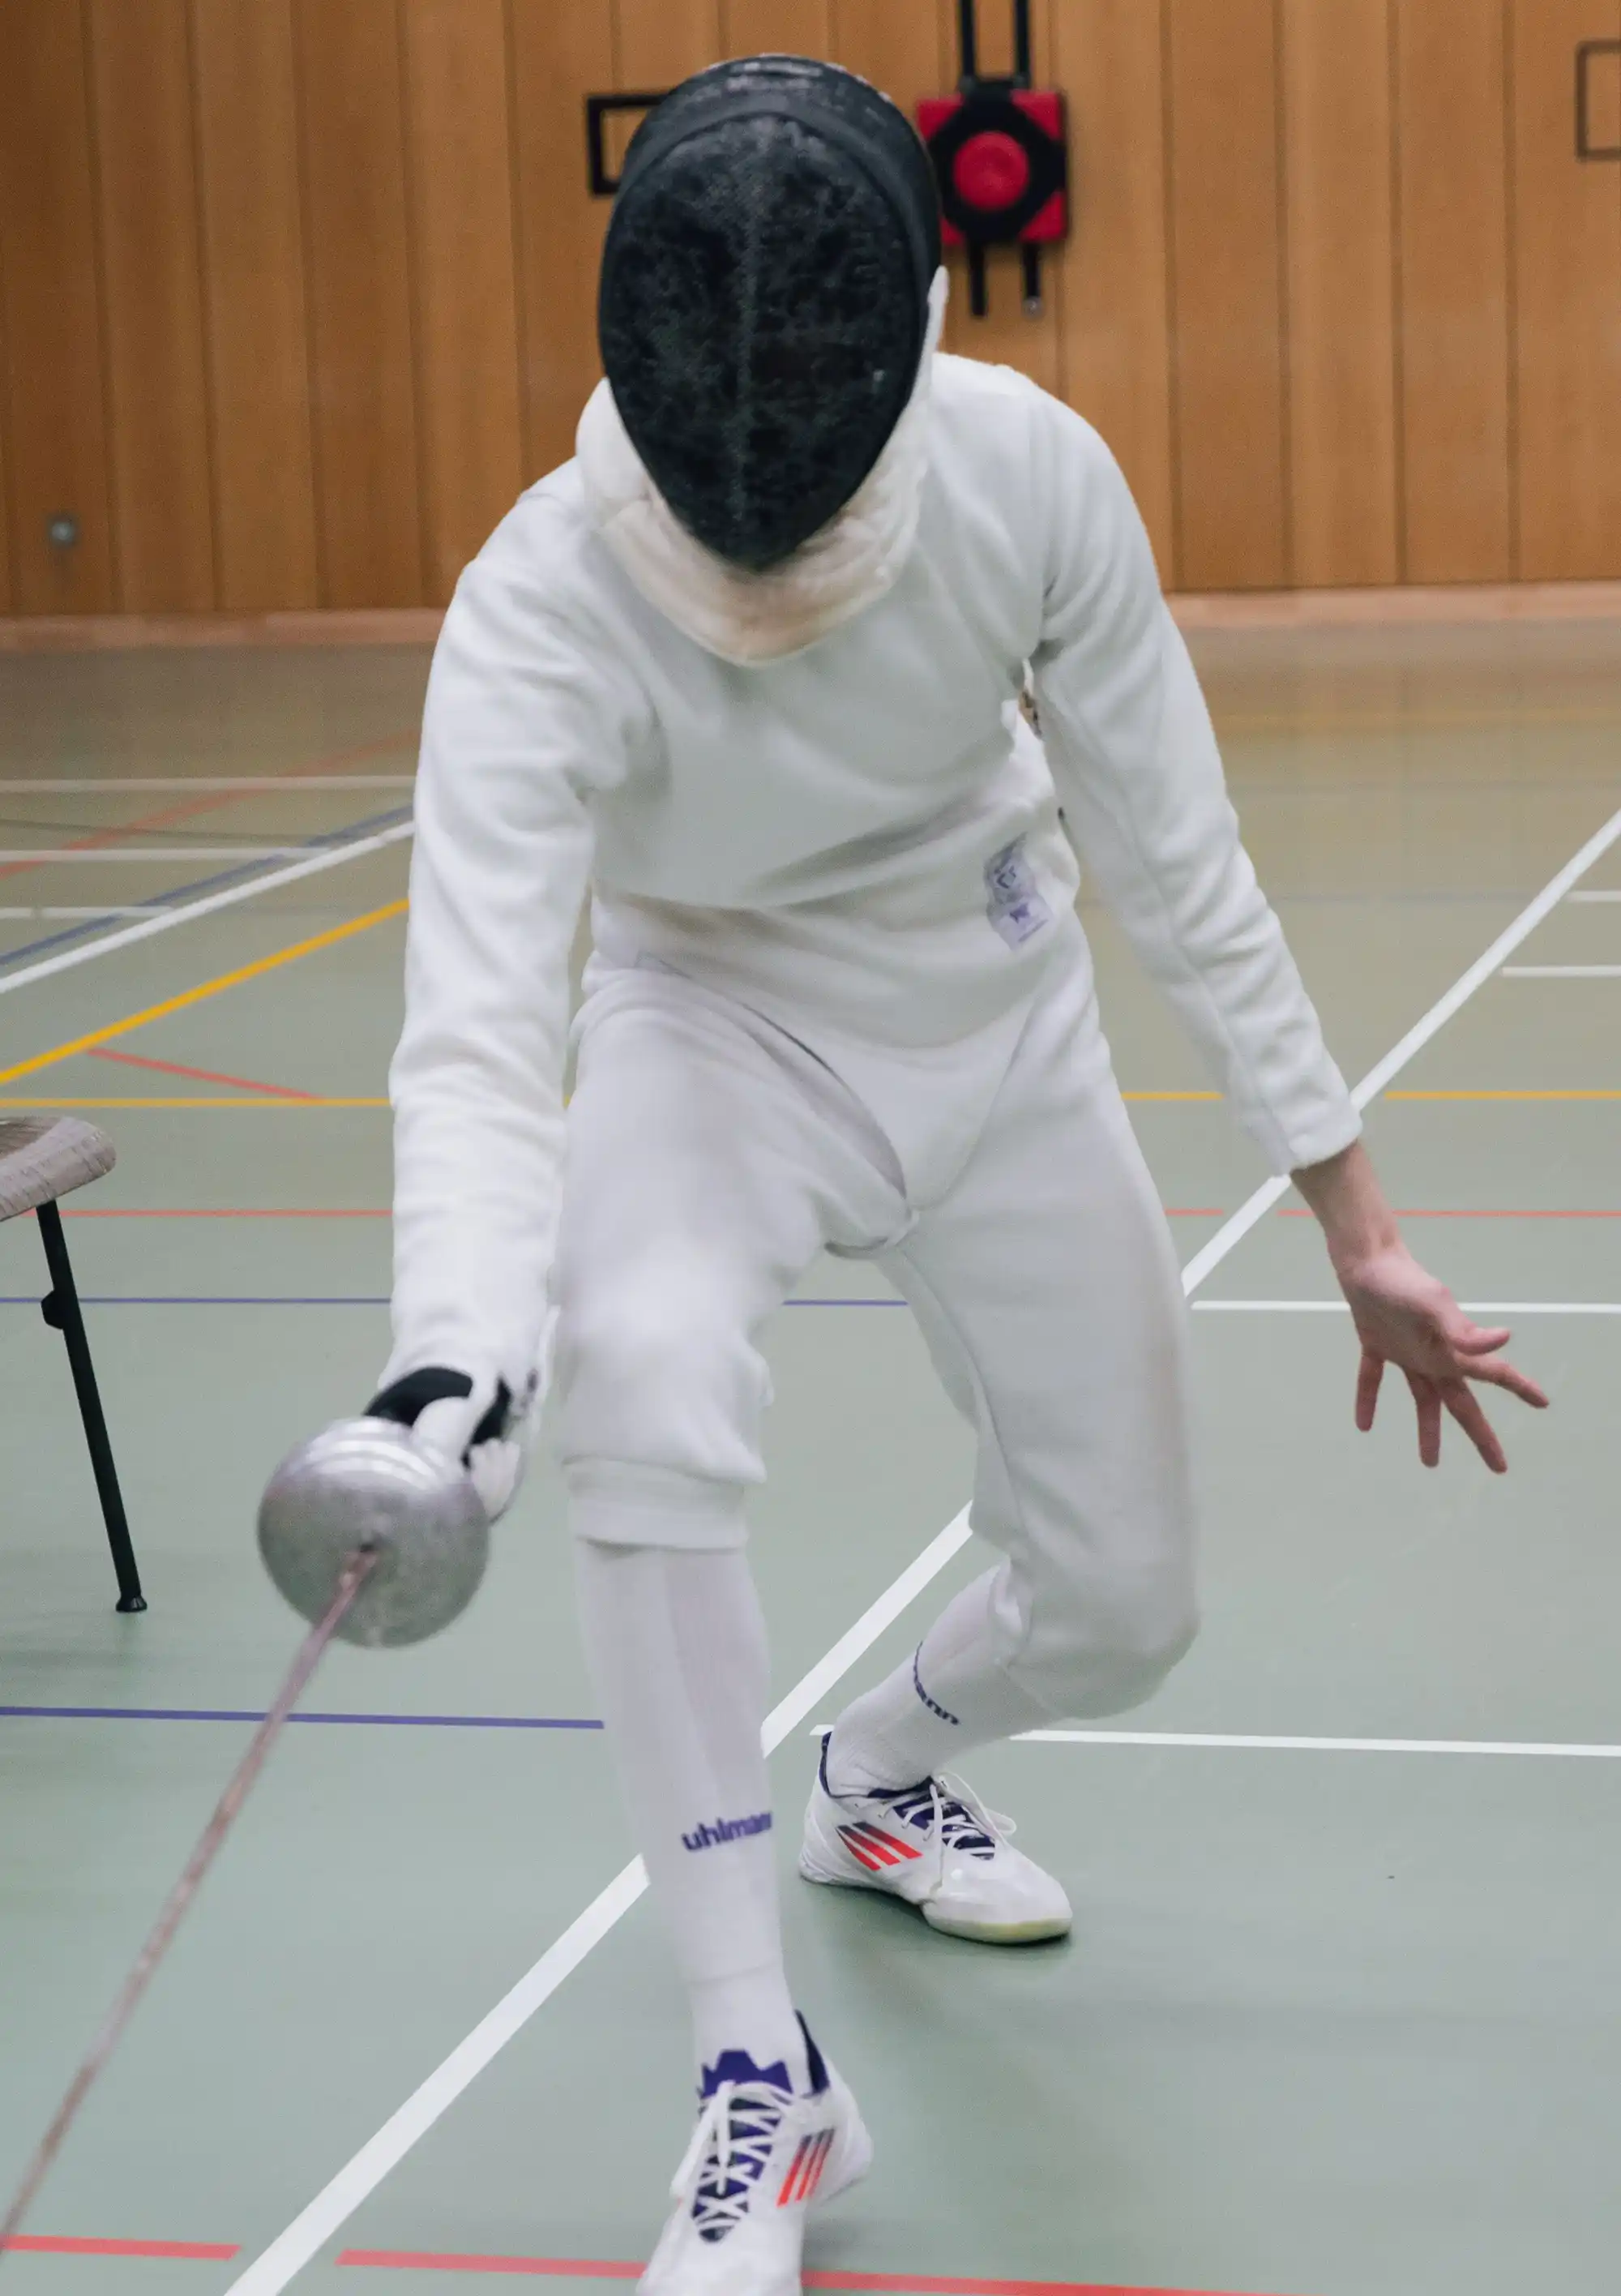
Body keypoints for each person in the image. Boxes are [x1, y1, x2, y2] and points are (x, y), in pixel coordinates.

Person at [357, 56, 1547, 2296]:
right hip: (714, 1030)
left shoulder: (1027, 476)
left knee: (1127, 1606)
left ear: (912, 329)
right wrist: (451, 1356)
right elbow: (484, 1039)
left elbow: (1179, 859)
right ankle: (756, 2067)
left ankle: (883, 1773)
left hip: (1002, 1021)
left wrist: (1357, 1221)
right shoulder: (537, 605)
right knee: (639, 1381)